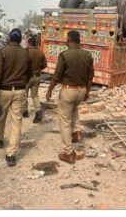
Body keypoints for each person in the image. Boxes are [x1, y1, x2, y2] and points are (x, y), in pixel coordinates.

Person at [45, 30, 94, 165]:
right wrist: (87, 91)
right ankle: (77, 132)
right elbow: (90, 76)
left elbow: (57, 76)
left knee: (65, 121)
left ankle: (68, 153)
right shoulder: (88, 55)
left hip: (68, 90)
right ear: (79, 40)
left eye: (66, 40)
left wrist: (49, 90)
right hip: (81, 90)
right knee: (74, 109)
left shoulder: (65, 55)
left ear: (68, 40)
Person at [0, 28, 30, 167]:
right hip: (20, 91)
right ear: (19, 40)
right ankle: (11, 154)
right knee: (16, 122)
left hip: (4, 91)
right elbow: (29, 74)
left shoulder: (3, 52)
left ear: (9, 39)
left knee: (0, 116)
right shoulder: (25, 53)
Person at [23, 36, 47, 123]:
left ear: (29, 43)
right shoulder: (41, 52)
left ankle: (25, 111)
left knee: (24, 94)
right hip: (37, 76)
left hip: (27, 77)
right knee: (35, 95)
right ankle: (38, 111)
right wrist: (38, 69)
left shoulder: (26, 52)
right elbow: (45, 65)